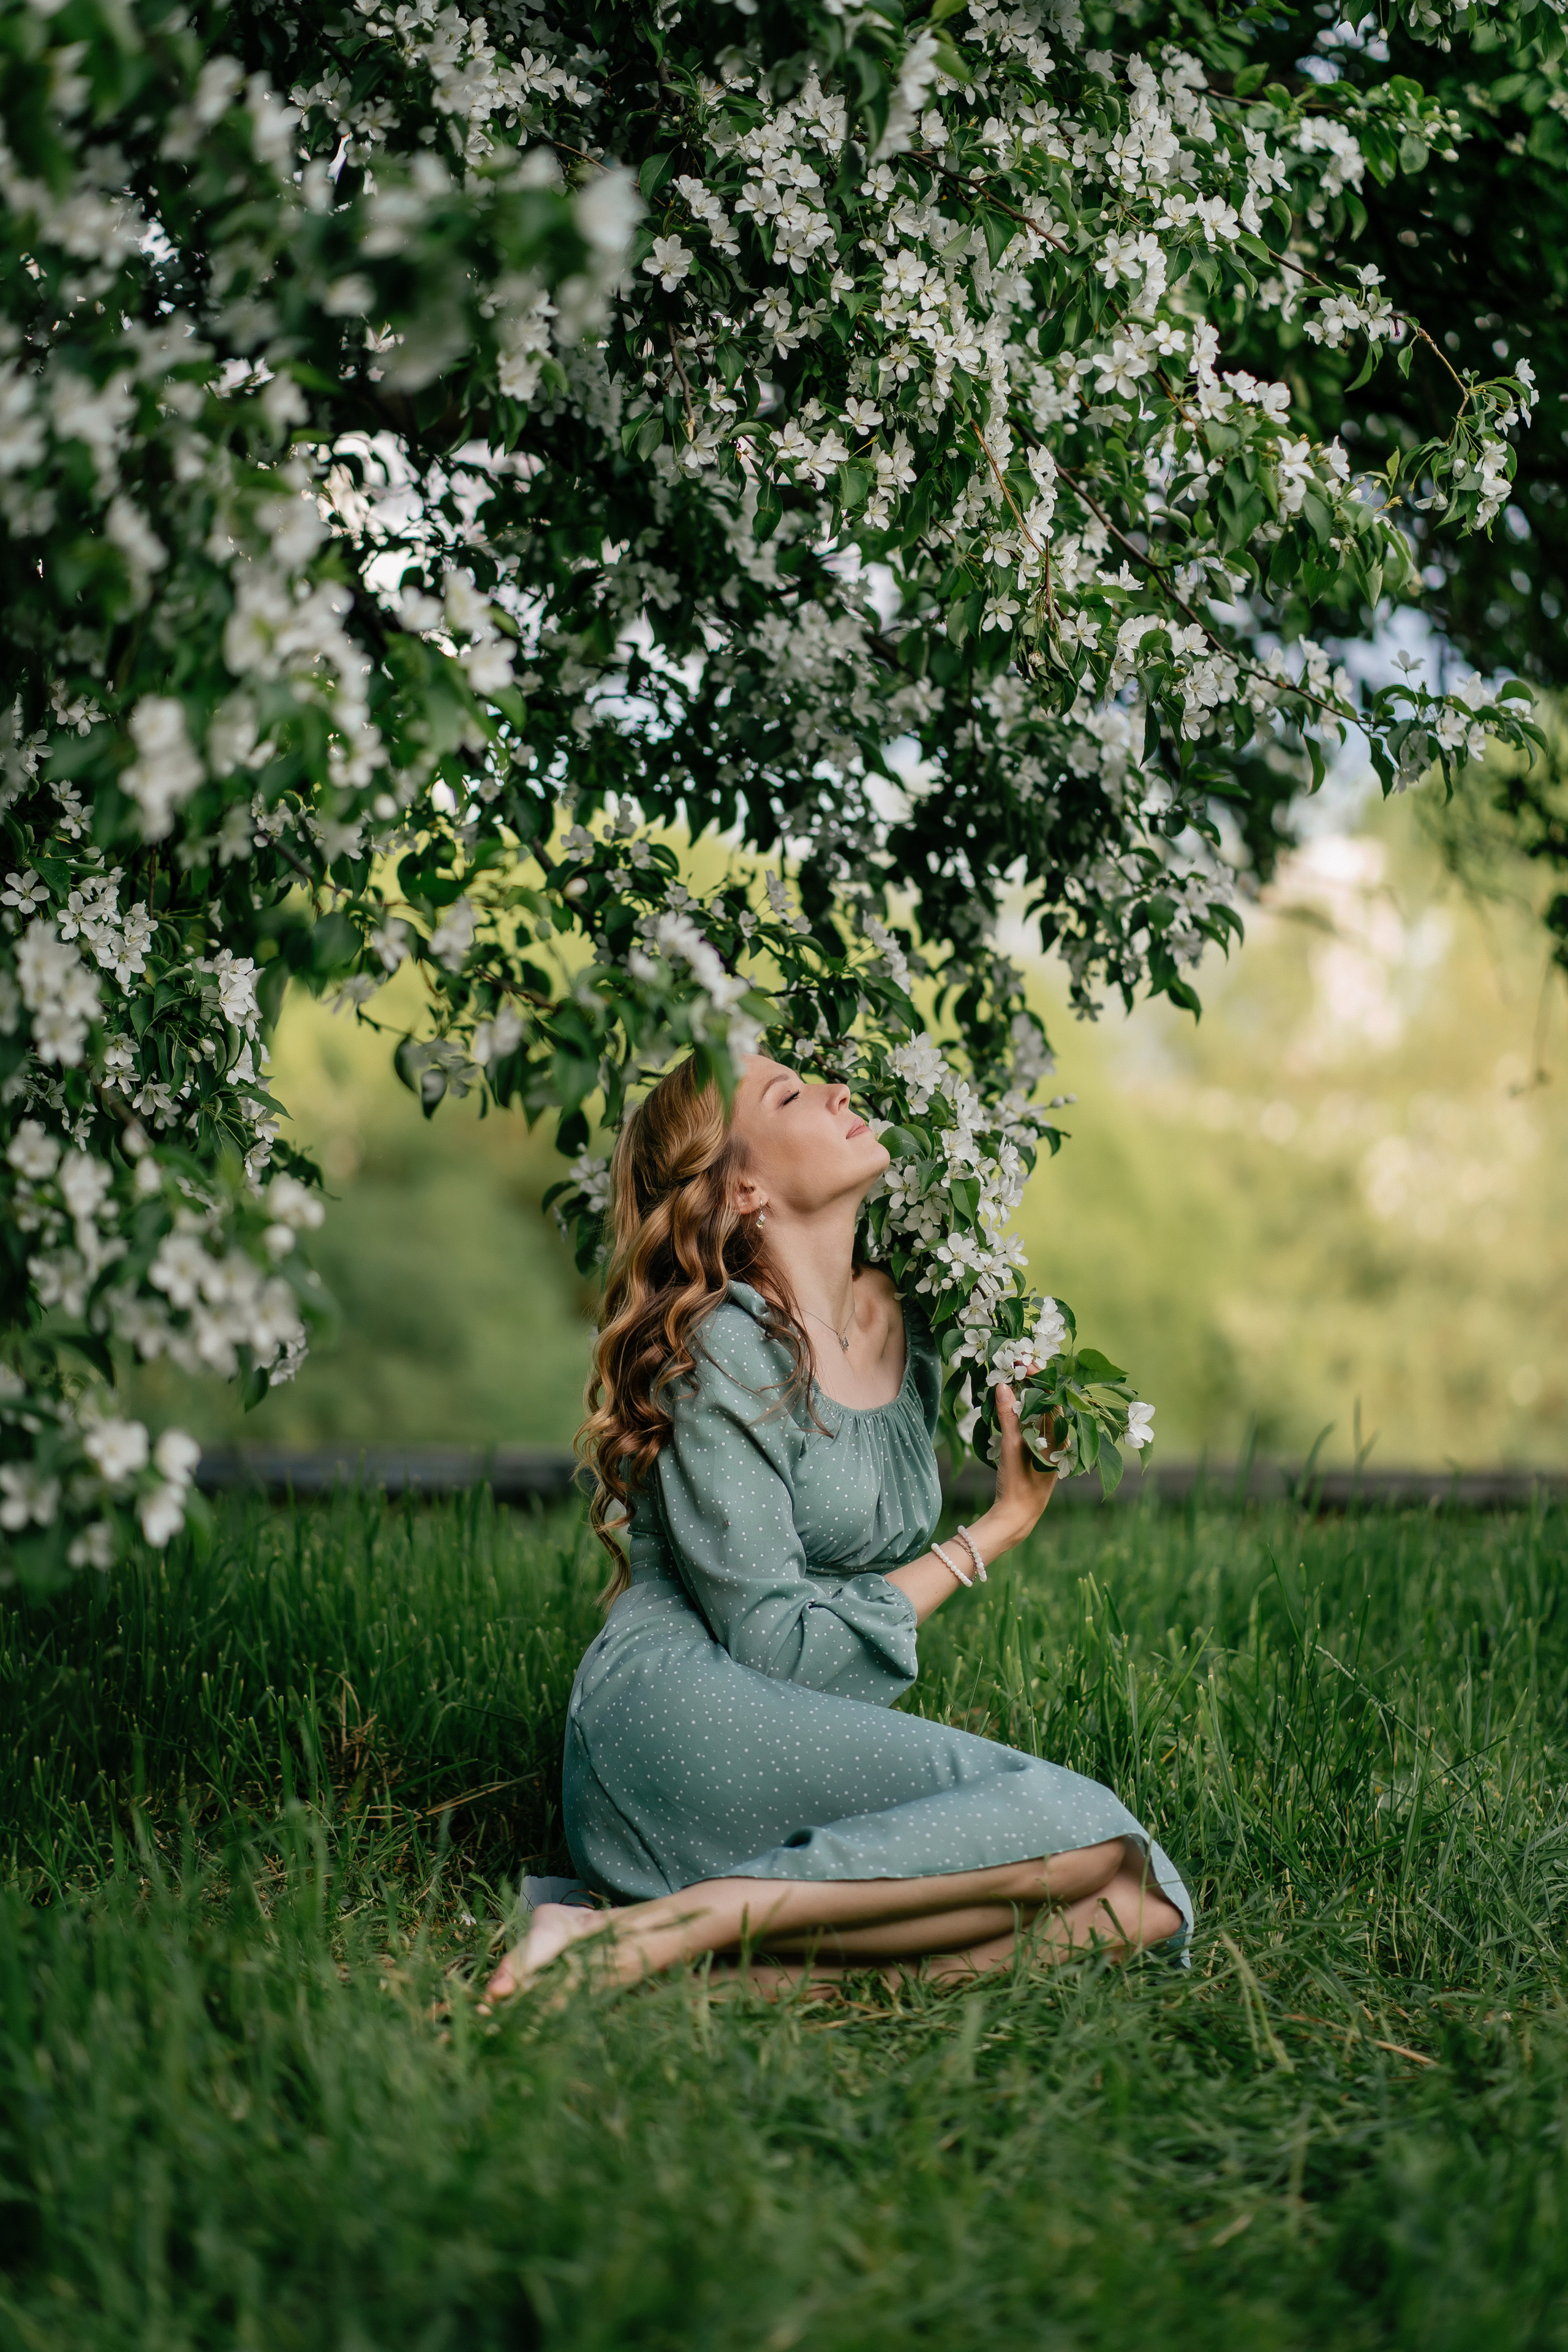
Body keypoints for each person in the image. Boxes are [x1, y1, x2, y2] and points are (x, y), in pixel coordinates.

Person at [486, 1054, 1190, 1997]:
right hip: (677, 1711)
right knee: (1086, 1828)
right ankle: (661, 1933)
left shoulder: (915, 1321)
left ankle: (656, 1957)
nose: (840, 1092)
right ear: (743, 1187)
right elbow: (779, 1648)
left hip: (788, 1727)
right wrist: (999, 1527)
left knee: (1140, 1907)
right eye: (790, 1095)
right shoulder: (724, 1351)